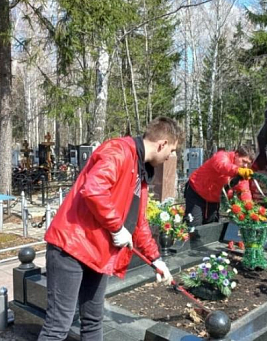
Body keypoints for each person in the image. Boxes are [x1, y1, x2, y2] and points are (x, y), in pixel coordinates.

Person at [38, 117, 184, 341]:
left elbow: (138, 222)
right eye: (172, 150)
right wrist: (116, 228)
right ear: (163, 143)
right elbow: (94, 190)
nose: (171, 157)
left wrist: (155, 259)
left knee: (93, 321)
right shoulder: (118, 151)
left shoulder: (140, 172)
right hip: (71, 246)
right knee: (58, 325)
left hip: (96, 252)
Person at [184, 145, 255, 226]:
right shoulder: (222, 156)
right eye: (244, 161)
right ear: (237, 155)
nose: (245, 166)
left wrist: (249, 208)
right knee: (194, 225)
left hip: (214, 199)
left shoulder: (241, 172)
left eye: (248, 164)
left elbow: (244, 190)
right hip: (196, 193)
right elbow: (222, 166)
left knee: (211, 227)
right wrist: (237, 171)